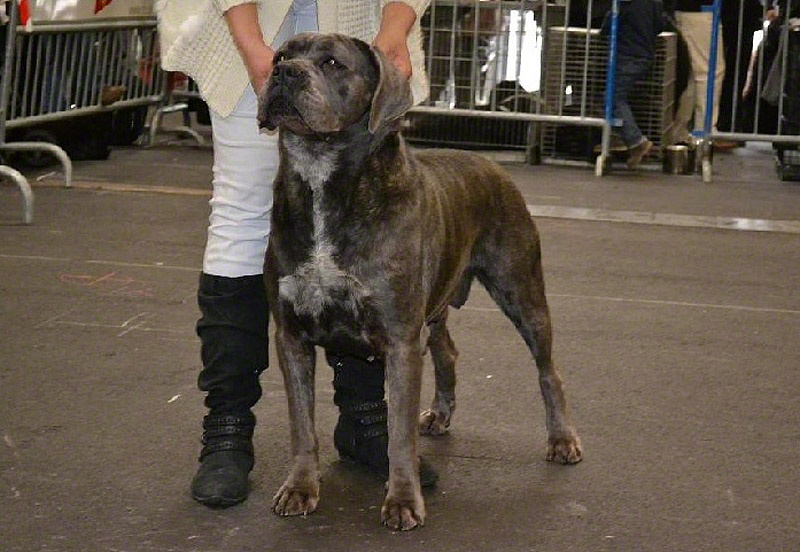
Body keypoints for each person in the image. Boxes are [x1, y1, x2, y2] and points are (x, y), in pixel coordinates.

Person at [156, 0, 435, 508]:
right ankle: (227, 428)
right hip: (245, 20)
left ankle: (365, 418)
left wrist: (396, 26)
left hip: (360, 20)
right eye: (289, 66)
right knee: (242, 214)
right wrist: (256, 51)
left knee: (368, 223)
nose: (293, 71)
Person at [601, 0, 665, 168]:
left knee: (613, 98)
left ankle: (635, 140)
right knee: (618, 97)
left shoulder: (624, 2)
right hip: (646, 55)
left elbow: (609, 24)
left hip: (627, 55)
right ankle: (628, 141)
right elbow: (661, 24)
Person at [671, 0, 725, 143]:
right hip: (701, 13)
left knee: (691, 75)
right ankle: (704, 129)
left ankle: (680, 130)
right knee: (708, 73)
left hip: (687, 12)